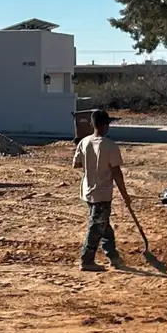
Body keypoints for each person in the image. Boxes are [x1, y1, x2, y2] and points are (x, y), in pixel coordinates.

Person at [71, 109, 129, 270]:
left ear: (92, 124)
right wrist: (125, 195)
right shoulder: (110, 146)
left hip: (88, 192)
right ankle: (86, 260)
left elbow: (76, 164)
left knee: (103, 225)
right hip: (102, 193)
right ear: (106, 125)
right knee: (96, 227)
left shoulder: (84, 142)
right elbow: (117, 173)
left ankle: (114, 257)